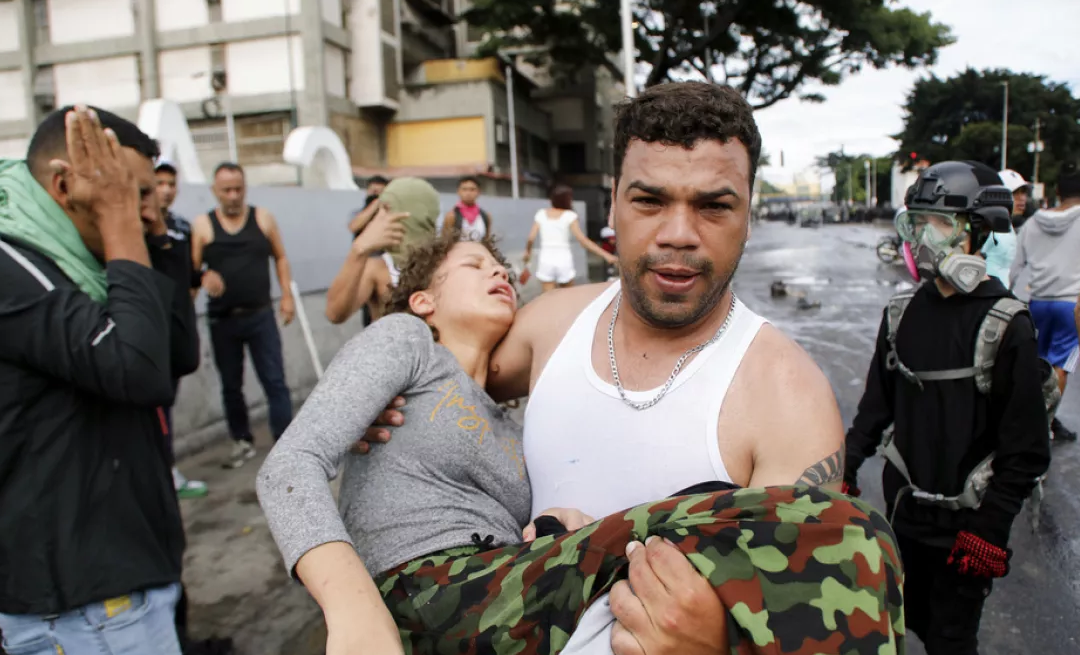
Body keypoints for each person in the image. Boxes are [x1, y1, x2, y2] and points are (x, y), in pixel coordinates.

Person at [358, 82, 870, 654]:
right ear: (612, 209)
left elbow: (810, 626)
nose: (678, 234)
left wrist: (717, 645)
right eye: (649, 201)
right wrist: (380, 411)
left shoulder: (789, 400)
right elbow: (442, 379)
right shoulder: (550, 325)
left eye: (713, 206)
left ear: (749, 215)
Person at [259, 232, 903, 655]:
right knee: (832, 531)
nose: (499, 273)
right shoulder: (405, 343)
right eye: (474, 265)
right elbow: (288, 467)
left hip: (485, 599)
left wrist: (549, 523)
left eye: (502, 267)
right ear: (424, 298)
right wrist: (352, 609)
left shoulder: (514, 419)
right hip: (409, 594)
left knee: (727, 524)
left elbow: (505, 530)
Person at [0, 105, 187, 653]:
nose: (144, 212)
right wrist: (121, 221)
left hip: (123, 587)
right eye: (128, 194)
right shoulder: (14, 265)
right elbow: (139, 369)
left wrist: (155, 238)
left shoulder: (85, 260)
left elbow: (176, 355)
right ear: (63, 185)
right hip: (88, 607)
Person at [845, 161, 1052, 655]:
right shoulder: (900, 315)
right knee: (904, 622)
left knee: (951, 640)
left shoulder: (1007, 325)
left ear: (976, 233)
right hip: (904, 517)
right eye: (915, 222)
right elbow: (874, 410)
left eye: (937, 223)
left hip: (967, 527)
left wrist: (989, 530)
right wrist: (844, 467)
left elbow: (1026, 451)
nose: (922, 237)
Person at [190, 163, 296, 469]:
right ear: (214, 191)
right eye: (227, 190)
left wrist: (286, 296)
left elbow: (281, 256)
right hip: (223, 320)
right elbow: (191, 273)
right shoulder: (203, 226)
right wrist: (203, 277)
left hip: (260, 314)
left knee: (275, 380)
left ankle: (286, 445)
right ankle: (242, 440)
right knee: (231, 384)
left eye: (239, 189)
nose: (234, 196)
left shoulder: (262, 218)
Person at [1011, 163, 1080, 443]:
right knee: (1061, 365)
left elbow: (1015, 265)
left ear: (1057, 191)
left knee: (1036, 363)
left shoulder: (1033, 222)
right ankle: (1046, 422)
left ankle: (1031, 417)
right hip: (1071, 305)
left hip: (1037, 302)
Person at [154, 160, 208, 498]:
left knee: (165, 403)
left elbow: (190, 278)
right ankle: (159, 475)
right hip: (148, 333)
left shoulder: (182, 228)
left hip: (174, 335)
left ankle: (167, 470)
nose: (166, 190)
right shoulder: (133, 229)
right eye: (158, 183)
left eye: (170, 183)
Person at [325, 177, 441, 325]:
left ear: (409, 215)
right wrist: (358, 250)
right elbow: (335, 313)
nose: (380, 219)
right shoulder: (379, 268)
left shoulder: (446, 263)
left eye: (386, 210)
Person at [524, 184, 617, 292]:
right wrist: (606, 255)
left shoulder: (541, 214)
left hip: (546, 259)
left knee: (547, 298)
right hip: (563, 259)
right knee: (568, 296)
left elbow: (531, 238)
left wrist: (527, 252)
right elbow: (582, 240)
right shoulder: (569, 215)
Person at [979, 169, 1026, 286]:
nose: (1022, 198)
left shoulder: (1009, 226)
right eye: (1015, 193)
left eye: (1023, 192)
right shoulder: (985, 226)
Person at [442, 175, 492, 241]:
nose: (468, 193)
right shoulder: (451, 216)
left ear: (479, 192)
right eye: (464, 189)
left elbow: (487, 240)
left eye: (472, 189)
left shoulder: (485, 216)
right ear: (458, 192)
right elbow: (445, 241)